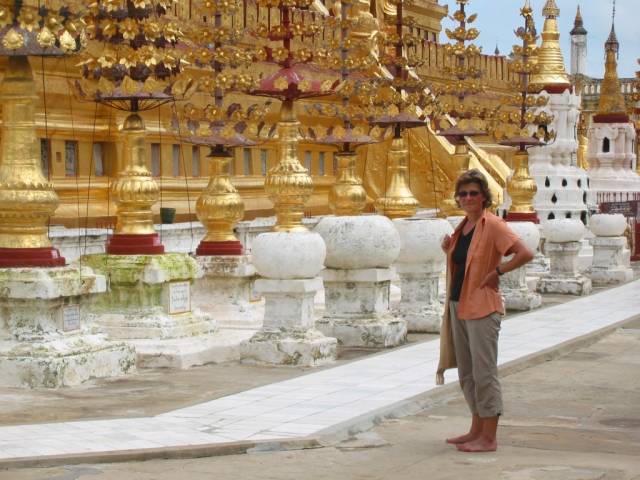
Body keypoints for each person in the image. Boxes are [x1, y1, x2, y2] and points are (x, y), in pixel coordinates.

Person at [437, 169, 534, 453]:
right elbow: (466, 262)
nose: (467, 198)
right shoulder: (463, 226)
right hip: (459, 304)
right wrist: (449, 250)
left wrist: (499, 271)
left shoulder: (493, 224)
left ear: (484, 197)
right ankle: (475, 429)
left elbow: (525, 252)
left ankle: (489, 437)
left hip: (482, 307)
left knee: (484, 373)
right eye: (463, 193)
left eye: (473, 193)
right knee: (466, 372)